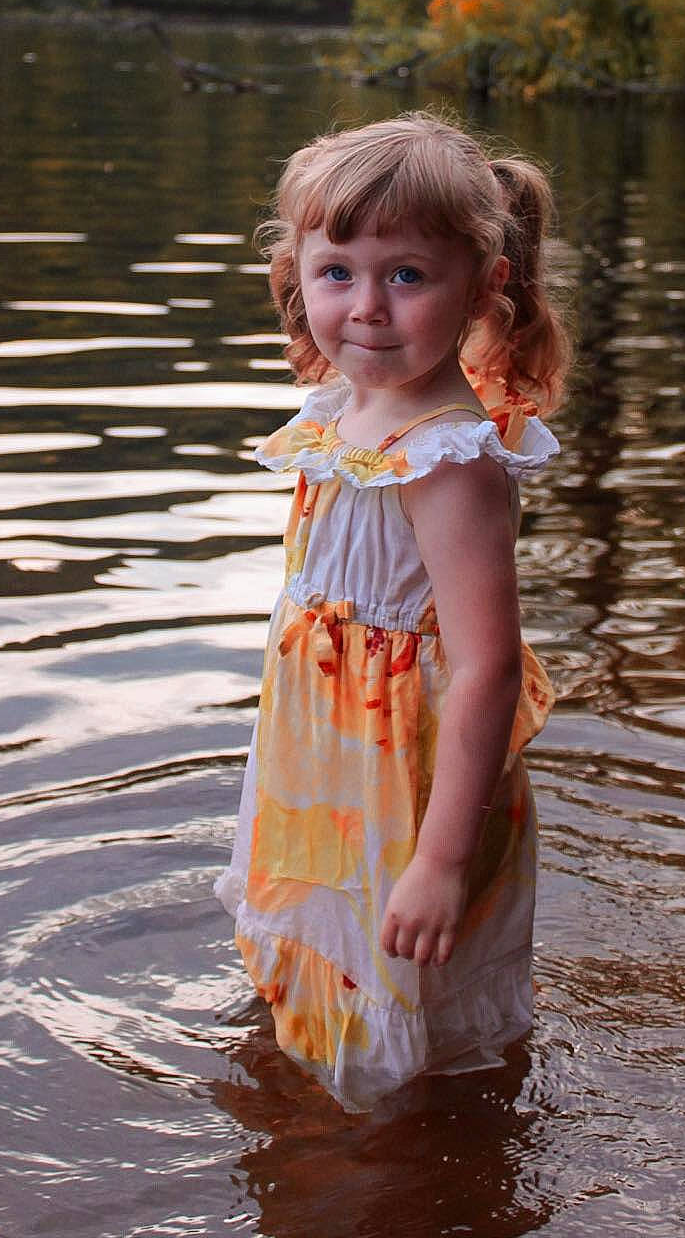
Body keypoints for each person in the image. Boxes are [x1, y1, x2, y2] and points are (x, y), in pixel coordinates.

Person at [215, 111, 570, 1111]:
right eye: (337, 275)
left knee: (401, 1031)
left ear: (481, 285)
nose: (365, 309)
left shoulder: (447, 462)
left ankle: (407, 1178)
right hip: (323, 758)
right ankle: (321, 1127)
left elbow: (489, 671)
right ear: (298, 272)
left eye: (406, 277)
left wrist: (440, 863)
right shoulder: (340, 407)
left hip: (405, 786)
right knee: (320, 992)